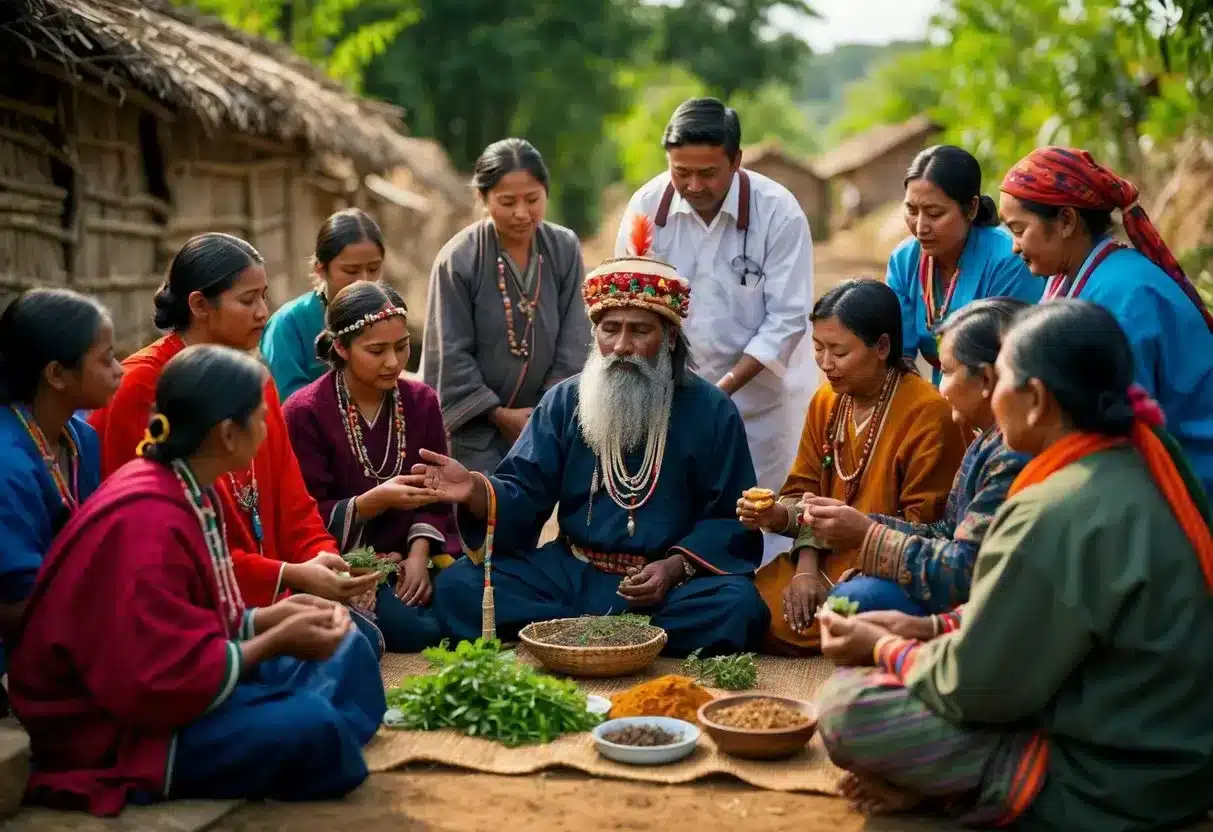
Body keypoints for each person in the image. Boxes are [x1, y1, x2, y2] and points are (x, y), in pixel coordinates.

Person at [813, 300, 1213, 831]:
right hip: (1177, 756)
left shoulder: (1055, 504)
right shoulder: (1141, 455)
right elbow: (1048, 615)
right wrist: (930, 627)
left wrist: (886, 647)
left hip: (1110, 775)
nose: (987, 393)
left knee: (846, 706)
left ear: (1035, 400)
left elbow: (977, 687)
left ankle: (969, 789)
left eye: (998, 378)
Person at [9, 345, 385, 816]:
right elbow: (154, 679)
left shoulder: (188, 487)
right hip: (114, 723)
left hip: (188, 677)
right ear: (229, 434)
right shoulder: (148, 517)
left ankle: (282, 721)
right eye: (262, 416)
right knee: (314, 727)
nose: (270, 428)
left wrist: (270, 617)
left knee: (349, 646)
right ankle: (293, 722)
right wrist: (270, 641)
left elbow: (198, 619)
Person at [419, 224, 769, 656]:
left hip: (663, 586)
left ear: (670, 337)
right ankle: (620, 632)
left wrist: (674, 568)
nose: (621, 345)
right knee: (459, 586)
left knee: (740, 607)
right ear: (595, 334)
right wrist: (475, 489)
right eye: (610, 329)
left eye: (640, 331)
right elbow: (525, 491)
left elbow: (731, 519)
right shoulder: (565, 401)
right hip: (571, 571)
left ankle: (572, 630)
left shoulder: (712, 410)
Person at [88, 234, 380, 615]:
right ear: (199, 305)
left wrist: (325, 561)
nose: (263, 312)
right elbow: (155, 542)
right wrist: (289, 576)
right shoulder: (144, 386)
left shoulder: (257, 382)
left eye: (264, 296)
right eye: (247, 300)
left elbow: (294, 504)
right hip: (186, 602)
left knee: (360, 630)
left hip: (273, 587)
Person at [614, 97, 816, 565]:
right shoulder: (647, 207)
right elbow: (631, 301)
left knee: (762, 513)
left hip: (761, 402)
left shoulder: (778, 212)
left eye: (707, 173)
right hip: (670, 392)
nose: (692, 185)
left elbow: (786, 320)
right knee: (680, 505)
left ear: (737, 162)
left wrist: (719, 391)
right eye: (681, 171)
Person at [742, 279, 968, 654]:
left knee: (850, 605)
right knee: (743, 606)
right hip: (820, 559)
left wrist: (862, 551)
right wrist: (785, 529)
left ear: (881, 347)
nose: (826, 364)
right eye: (818, 348)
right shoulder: (828, 400)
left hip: (889, 566)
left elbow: (929, 531)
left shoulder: (929, 414)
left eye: (839, 352)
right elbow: (804, 493)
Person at [787, 298, 1030, 616]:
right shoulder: (985, 442)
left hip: (993, 600)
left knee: (850, 601)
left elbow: (967, 570)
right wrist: (857, 527)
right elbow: (945, 531)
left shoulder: (1011, 454)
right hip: (854, 555)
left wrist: (868, 536)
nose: (941, 389)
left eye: (947, 372)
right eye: (819, 348)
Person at [999, 146, 1213, 495]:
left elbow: (1121, 433)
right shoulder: (1068, 277)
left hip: (1193, 483)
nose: (1014, 247)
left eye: (1018, 230)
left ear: (1067, 221)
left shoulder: (1123, 297)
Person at [284, 281, 458, 652]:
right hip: (350, 562)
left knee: (475, 594)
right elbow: (303, 514)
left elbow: (438, 494)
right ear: (341, 348)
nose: (394, 362)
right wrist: (370, 503)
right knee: (419, 631)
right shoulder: (304, 413)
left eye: (401, 346)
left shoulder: (421, 401)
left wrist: (418, 555)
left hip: (415, 551)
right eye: (376, 350)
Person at [421, 138, 591, 473]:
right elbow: (450, 352)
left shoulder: (564, 248)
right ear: (482, 198)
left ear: (546, 192)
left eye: (532, 199)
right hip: (476, 426)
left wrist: (542, 412)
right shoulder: (459, 259)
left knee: (530, 513)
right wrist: (498, 414)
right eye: (507, 201)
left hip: (545, 420)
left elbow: (575, 337)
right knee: (480, 512)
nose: (521, 213)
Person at [0, 289, 123, 695]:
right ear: (57, 375)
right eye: (106, 360)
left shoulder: (80, 439)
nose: (120, 370)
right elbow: (16, 603)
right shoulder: (8, 464)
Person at [887, 146, 1040, 384]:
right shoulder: (905, 260)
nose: (920, 227)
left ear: (971, 209)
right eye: (911, 210)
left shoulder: (1008, 260)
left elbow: (1012, 361)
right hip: (943, 393)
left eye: (934, 213)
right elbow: (898, 354)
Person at [262, 208, 386, 401]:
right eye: (351, 270)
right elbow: (287, 403)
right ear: (320, 268)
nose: (364, 281)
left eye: (373, 268)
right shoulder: (289, 324)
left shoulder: (386, 317)